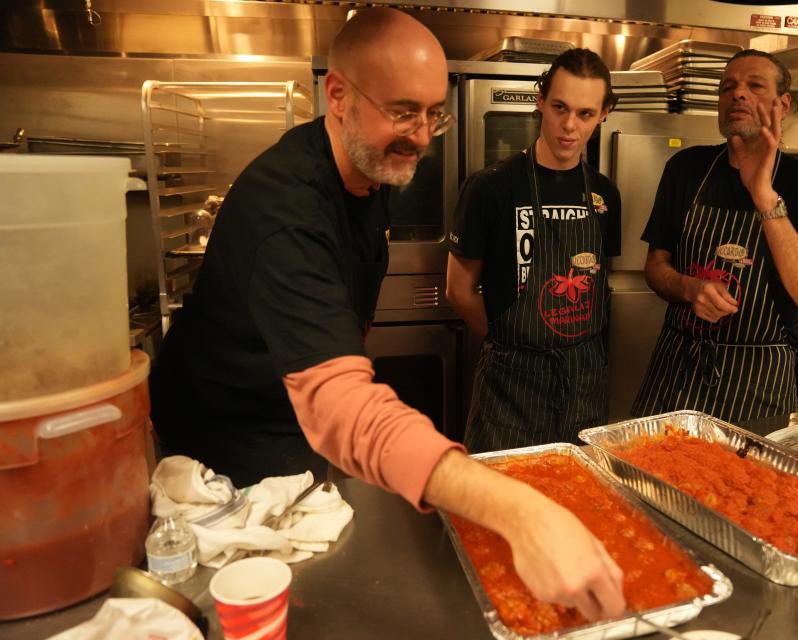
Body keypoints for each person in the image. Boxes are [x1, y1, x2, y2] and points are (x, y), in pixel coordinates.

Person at [150, 8, 624, 620]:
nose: (423, 137)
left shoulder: (371, 174)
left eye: (434, 114)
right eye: (403, 111)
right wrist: (520, 510)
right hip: (231, 460)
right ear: (338, 95)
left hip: (300, 435)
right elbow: (340, 407)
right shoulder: (287, 209)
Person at [630, 49, 798, 423]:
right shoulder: (685, 168)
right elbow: (655, 265)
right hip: (676, 374)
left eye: (754, 86)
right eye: (728, 87)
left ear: (784, 104)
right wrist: (689, 288)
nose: (738, 94)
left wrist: (762, 193)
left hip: (757, 384)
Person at [445, 49, 621, 452]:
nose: (569, 126)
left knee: (579, 499)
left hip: (584, 380)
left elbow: (598, 282)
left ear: (604, 113)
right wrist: (511, 347)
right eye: (560, 107)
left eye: (585, 114)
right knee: (499, 505)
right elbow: (458, 289)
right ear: (540, 100)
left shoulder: (605, 194)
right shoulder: (490, 188)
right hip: (511, 385)